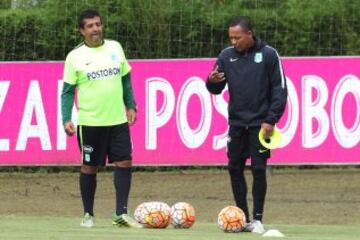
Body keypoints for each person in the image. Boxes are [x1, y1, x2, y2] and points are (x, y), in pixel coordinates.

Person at [206, 16, 287, 234]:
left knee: (259, 169)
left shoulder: (269, 54)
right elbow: (216, 87)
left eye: (238, 37)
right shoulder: (226, 56)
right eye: (231, 37)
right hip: (237, 124)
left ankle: (258, 219)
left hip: (261, 125)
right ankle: (243, 217)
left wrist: (271, 119)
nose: (234, 41)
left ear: (249, 34)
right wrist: (211, 82)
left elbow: (279, 89)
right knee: (234, 168)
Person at [61, 9, 140, 228]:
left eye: (98, 24)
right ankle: (88, 214)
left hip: (117, 120)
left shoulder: (115, 47)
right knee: (89, 167)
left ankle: (121, 213)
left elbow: (125, 78)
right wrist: (66, 118)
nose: (96, 29)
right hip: (90, 123)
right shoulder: (74, 57)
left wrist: (130, 104)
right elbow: (67, 91)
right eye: (90, 26)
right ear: (82, 31)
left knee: (125, 161)